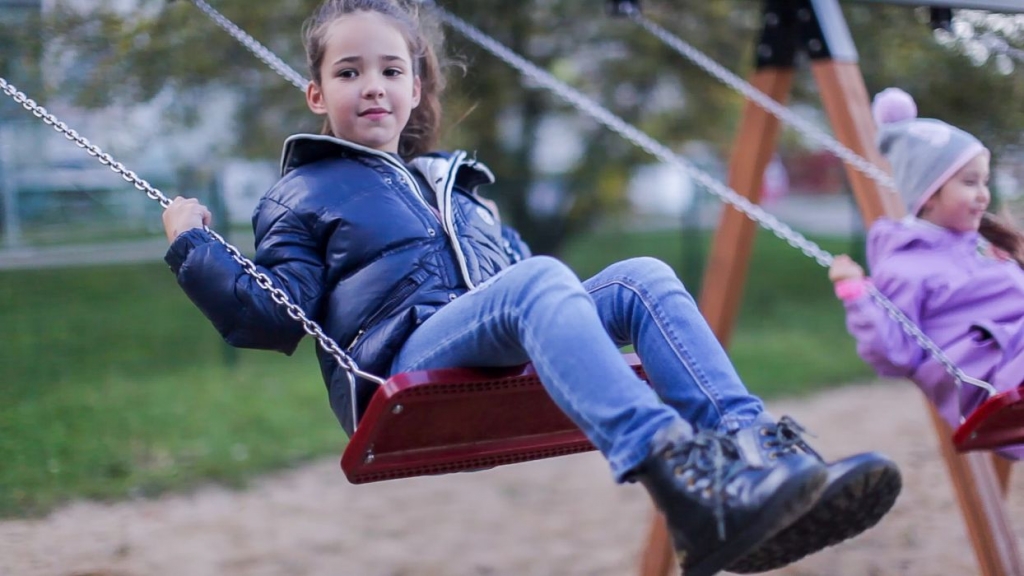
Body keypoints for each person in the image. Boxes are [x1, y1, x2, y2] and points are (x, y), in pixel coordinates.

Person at [162, 1, 899, 574]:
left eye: (390, 70)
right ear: (317, 94)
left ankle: (757, 457)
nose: (373, 86)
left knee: (642, 276)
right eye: (349, 72)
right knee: (540, 278)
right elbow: (270, 314)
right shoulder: (301, 193)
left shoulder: (457, 184)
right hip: (401, 364)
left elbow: (533, 291)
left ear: (415, 87)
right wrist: (192, 244)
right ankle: (678, 477)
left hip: (492, 339)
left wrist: (549, 303)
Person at [829, 87, 1024, 459]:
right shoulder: (905, 269)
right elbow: (895, 352)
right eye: (970, 182)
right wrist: (856, 296)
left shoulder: (974, 250)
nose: (983, 194)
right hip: (995, 383)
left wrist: (1006, 267)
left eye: (984, 182)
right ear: (929, 195)